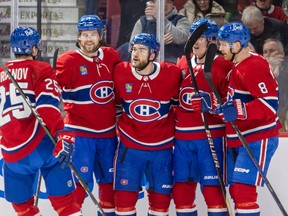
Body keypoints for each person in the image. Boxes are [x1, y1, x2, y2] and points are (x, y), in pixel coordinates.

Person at [0, 26, 81, 216]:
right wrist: (63, 134)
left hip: (12, 154)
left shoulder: (1, 74)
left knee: (23, 207)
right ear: (34, 49)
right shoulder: (40, 69)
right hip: (42, 146)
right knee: (65, 203)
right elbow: (47, 108)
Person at [56, 15, 121, 216]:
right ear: (78, 37)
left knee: (109, 188)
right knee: (79, 187)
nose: (89, 39)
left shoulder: (111, 57)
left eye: (93, 34)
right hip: (80, 135)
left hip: (108, 136)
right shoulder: (67, 61)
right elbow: (52, 96)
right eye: (85, 35)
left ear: (100, 36)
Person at [113, 33, 181, 215]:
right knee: (124, 204)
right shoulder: (121, 71)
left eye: (142, 50)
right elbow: (117, 105)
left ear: (153, 55)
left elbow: (178, 104)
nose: (135, 54)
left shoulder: (171, 73)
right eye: (134, 49)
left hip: (162, 149)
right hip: (130, 148)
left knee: (160, 205)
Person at [216, 22, 279, 215]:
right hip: (240, 136)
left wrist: (240, 109)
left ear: (236, 45)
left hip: (258, 137)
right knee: (236, 190)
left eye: (224, 44)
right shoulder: (237, 65)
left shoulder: (254, 66)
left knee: (243, 192)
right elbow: (234, 104)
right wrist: (212, 107)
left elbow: (270, 105)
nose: (220, 48)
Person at [173, 18, 234, 216]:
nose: (196, 42)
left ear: (212, 41)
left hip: (211, 139)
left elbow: (232, 106)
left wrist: (213, 106)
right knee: (181, 192)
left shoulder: (224, 66)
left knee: (213, 192)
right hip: (182, 140)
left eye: (202, 37)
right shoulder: (182, 63)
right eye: (193, 37)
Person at [263, 38, 288, 131]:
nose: (268, 54)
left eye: (272, 51)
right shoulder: (259, 71)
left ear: (281, 54)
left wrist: (277, 75)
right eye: (265, 52)